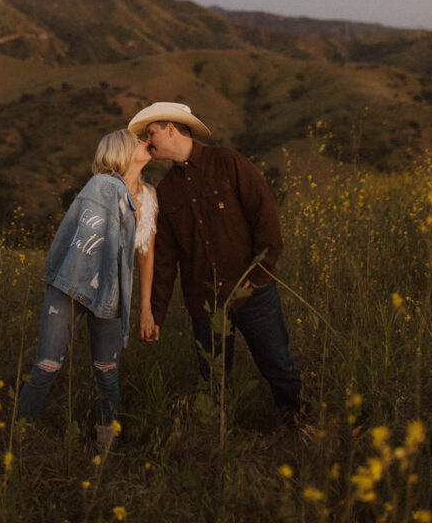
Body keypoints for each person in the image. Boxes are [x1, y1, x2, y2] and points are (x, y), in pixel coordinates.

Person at [128, 101, 302, 424]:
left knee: (278, 365)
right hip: (204, 303)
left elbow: (265, 214)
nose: (148, 141)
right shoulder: (166, 191)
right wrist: (155, 314)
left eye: (151, 132)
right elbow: (165, 260)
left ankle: (300, 425)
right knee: (214, 380)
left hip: (252, 291)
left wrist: (261, 273)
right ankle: (218, 443)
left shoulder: (227, 162)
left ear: (171, 128)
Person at [17, 129, 158, 442]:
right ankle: (20, 434)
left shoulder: (148, 197)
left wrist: (145, 309)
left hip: (111, 292)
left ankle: (105, 443)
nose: (146, 141)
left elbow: (146, 254)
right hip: (72, 285)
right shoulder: (102, 186)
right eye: (137, 140)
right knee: (47, 365)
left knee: (107, 372)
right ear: (121, 151)